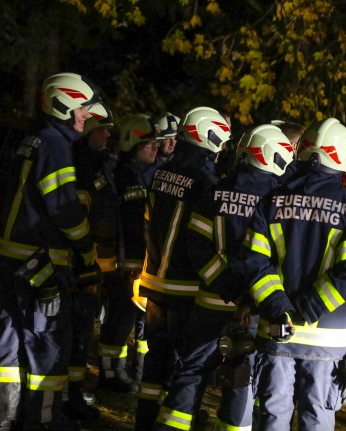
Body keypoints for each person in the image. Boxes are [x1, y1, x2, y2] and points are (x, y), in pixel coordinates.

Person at [242, 118, 346, 430]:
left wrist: (282, 310)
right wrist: (308, 310)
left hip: (276, 331)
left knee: (272, 416)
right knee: (318, 417)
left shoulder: (271, 201)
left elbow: (255, 263)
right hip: (325, 337)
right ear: (342, 157)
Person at [154, 124, 294, 431]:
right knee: (240, 379)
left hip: (210, 301)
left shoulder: (216, 191)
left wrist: (226, 287)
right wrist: (252, 300)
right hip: (253, 310)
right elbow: (275, 260)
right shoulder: (278, 202)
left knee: (191, 371)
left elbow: (197, 247)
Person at [0, 72, 102, 431]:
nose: (87, 116)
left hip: (13, 259)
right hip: (39, 263)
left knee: (11, 345)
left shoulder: (33, 140)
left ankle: (4, 419)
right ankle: (44, 421)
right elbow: (63, 209)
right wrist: (86, 248)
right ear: (65, 104)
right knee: (47, 346)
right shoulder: (55, 145)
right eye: (83, 109)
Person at [135, 106, 232, 430]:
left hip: (155, 284)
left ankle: (145, 421)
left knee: (155, 361)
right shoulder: (205, 181)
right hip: (185, 289)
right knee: (184, 364)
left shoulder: (163, 172)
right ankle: (177, 421)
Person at [98, 113, 162, 394]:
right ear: (134, 145)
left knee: (123, 319)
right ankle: (109, 373)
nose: (155, 149)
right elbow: (134, 225)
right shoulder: (129, 175)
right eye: (149, 145)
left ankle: (114, 371)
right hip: (124, 263)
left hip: (131, 262)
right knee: (119, 319)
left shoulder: (137, 173)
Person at [64, 102, 117, 423]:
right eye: (102, 128)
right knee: (77, 332)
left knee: (84, 332)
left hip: (94, 263)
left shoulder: (98, 164)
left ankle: (73, 393)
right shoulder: (82, 165)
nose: (108, 134)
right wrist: (86, 261)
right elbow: (81, 216)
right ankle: (69, 397)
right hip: (81, 263)